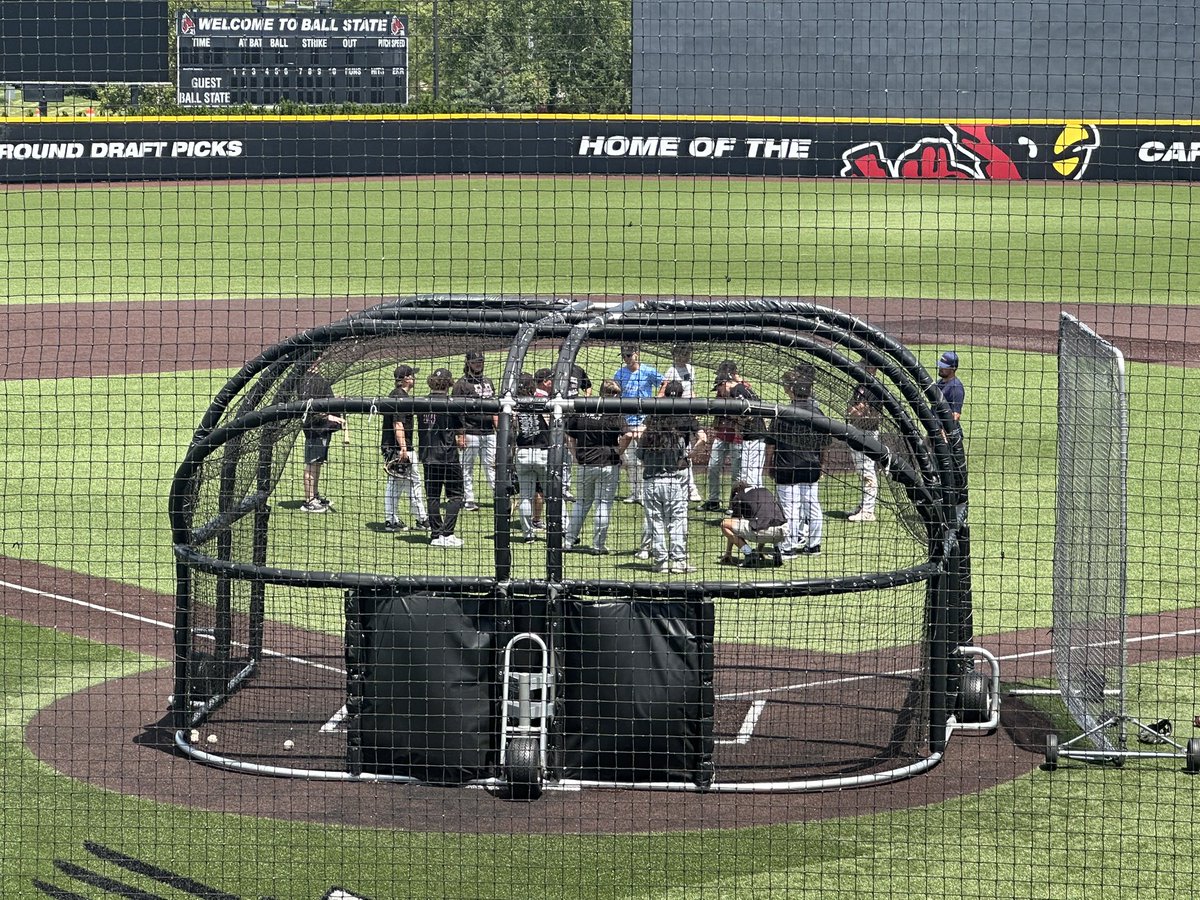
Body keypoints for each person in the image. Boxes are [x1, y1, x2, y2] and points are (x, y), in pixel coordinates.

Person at [639, 381, 707, 573]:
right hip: (676, 475)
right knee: (678, 518)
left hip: (651, 479)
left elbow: (640, 453)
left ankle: (658, 559)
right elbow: (703, 438)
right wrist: (689, 456)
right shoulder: (681, 426)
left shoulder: (651, 426)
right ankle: (678, 560)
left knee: (655, 520)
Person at [766, 364, 829, 558]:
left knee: (790, 508)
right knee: (812, 504)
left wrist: (769, 465)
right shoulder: (818, 413)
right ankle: (814, 545)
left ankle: (788, 547)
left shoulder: (783, 412)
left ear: (792, 390)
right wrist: (822, 464)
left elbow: (771, 443)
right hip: (811, 466)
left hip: (786, 466)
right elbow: (825, 443)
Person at [564, 379, 633, 555]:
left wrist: (574, 455)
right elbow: (628, 435)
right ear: (613, 394)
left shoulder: (583, 409)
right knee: (603, 504)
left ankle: (568, 541)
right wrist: (618, 452)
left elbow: (569, 436)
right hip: (608, 464)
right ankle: (598, 545)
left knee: (581, 503)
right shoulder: (615, 413)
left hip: (585, 463)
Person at [418, 368, 466, 547]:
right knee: (455, 495)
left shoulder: (421, 402)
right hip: (447, 456)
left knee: (432, 496)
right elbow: (460, 430)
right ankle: (447, 534)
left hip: (427, 456)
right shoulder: (452, 402)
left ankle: (436, 535)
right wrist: (460, 438)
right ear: (449, 383)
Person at [380, 365, 429, 533]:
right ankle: (418, 519)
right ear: (405, 379)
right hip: (399, 448)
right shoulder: (400, 397)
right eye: (412, 376)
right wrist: (403, 449)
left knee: (401, 483)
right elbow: (397, 423)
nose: (414, 378)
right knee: (407, 483)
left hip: (396, 446)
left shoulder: (397, 395)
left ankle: (395, 519)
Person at [612, 343, 663, 504]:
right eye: (624, 356)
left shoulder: (648, 371)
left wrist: (658, 398)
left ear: (637, 354)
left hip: (643, 422)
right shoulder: (619, 373)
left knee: (644, 459)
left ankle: (647, 492)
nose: (626, 358)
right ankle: (636, 493)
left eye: (629, 355)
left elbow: (664, 383)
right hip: (626, 422)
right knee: (630, 461)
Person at [452, 351, 498, 512]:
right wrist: (460, 434)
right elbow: (456, 413)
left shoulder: (488, 381)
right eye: (476, 361)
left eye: (481, 361)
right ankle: (469, 499)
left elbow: (495, 409)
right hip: (470, 432)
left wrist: (498, 430)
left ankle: (498, 496)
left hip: (489, 432)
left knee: (492, 466)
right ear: (468, 363)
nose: (479, 364)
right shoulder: (460, 385)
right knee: (467, 468)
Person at [299, 364, 345, 513]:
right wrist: (328, 416)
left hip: (324, 428)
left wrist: (335, 400)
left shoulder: (316, 377)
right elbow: (307, 408)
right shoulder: (306, 379)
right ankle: (309, 501)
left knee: (318, 462)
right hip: (315, 428)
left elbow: (322, 400)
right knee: (312, 463)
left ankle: (315, 496)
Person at [512, 372, 551, 542]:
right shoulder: (543, 400)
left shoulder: (512, 403)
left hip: (523, 452)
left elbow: (510, 431)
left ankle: (528, 535)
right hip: (543, 452)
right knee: (553, 493)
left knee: (525, 497)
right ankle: (562, 528)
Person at [661, 343, 703, 502]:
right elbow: (664, 391)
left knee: (687, 451)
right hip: (674, 413)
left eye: (687, 354)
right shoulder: (671, 370)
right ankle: (684, 486)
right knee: (676, 449)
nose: (685, 357)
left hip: (687, 412)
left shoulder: (691, 369)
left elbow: (692, 390)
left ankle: (691, 488)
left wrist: (695, 408)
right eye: (682, 353)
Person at [845, 359, 883, 523]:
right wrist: (853, 411)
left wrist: (853, 411)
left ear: (872, 368)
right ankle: (863, 505)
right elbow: (853, 408)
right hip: (858, 430)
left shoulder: (874, 387)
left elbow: (861, 410)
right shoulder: (861, 384)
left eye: (864, 366)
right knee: (862, 471)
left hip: (867, 433)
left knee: (868, 471)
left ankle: (868, 511)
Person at [719, 481, 787, 567]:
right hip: (783, 532)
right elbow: (766, 520)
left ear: (736, 492)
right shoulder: (765, 490)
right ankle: (777, 550)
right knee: (767, 521)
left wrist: (728, 552)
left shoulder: (739, 496)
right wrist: (759, 550)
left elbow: (733, 524)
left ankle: (749, 553)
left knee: (725, 523)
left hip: (764, 532)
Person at [935, 351, 965, 426]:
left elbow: (956, 416)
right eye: (940, 365)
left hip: (946, 433)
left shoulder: (956, 387)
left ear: (953, 368)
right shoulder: (939, 383)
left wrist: (944, 433)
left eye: (944, 367)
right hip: (935, 429)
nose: (941, 368)